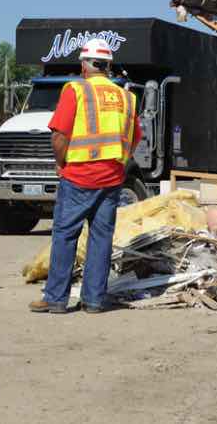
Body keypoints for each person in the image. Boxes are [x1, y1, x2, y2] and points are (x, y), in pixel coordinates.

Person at [29, 38, 142, 314]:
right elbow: (135, 137)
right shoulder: (127, 97)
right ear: (108, 66)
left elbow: (59, 135)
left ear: (84, 65)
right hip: (113, 178)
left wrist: (61, 162)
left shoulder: (76, 90)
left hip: (79, 175)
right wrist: (120, 162)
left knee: (66, 235)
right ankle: (93, 300)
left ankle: (56, 298)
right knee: (101, 239)